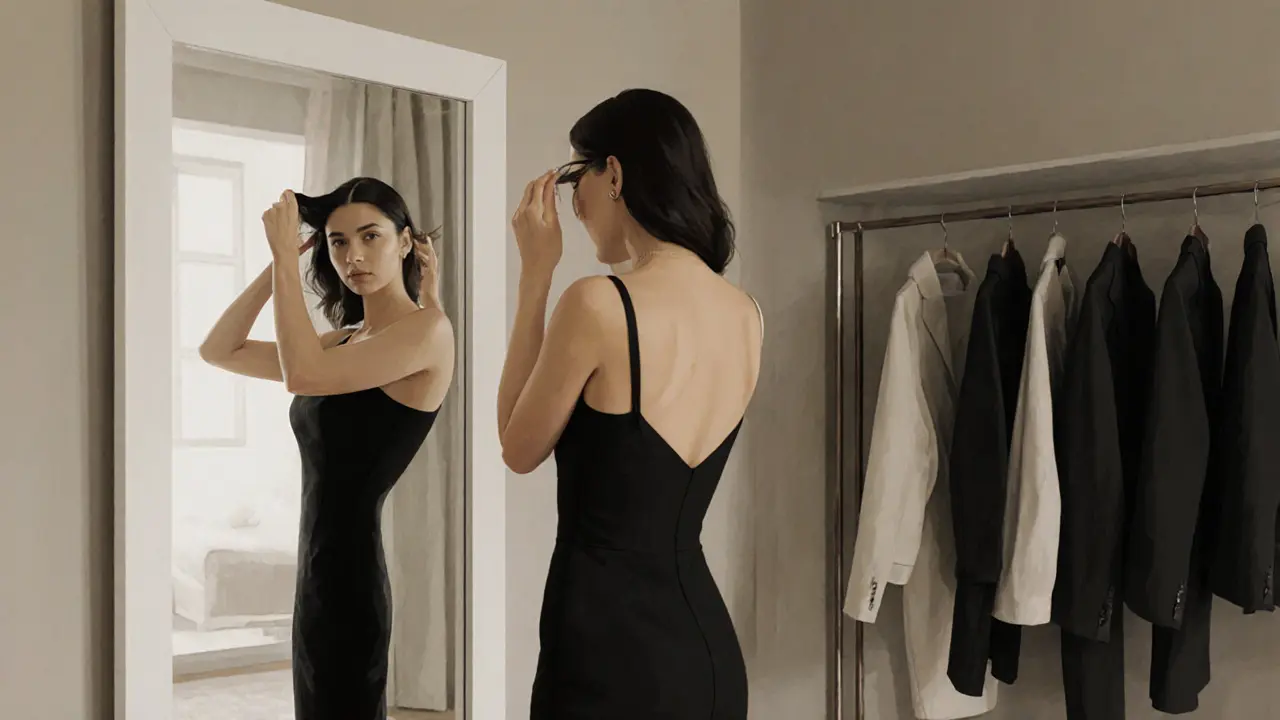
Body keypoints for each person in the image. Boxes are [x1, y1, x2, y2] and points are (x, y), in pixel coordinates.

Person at [498, 88, 763, 719]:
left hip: (606, 655)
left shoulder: (597, 303)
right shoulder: (747, 312)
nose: (574, 204)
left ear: (612, 173)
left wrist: (535, 276)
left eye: (574, 178)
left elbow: (517, 446)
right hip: (705, 654)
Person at [199, 177, 455, 720]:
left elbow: (303, 376)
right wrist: (277, 268)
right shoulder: (346, 340)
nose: (352, 256)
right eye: (337, 242)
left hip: (351, 580)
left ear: (406, 242)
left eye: (370, 237)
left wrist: (286, 269)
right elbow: (219, 349)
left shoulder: (428, 331)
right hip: (314, 572)